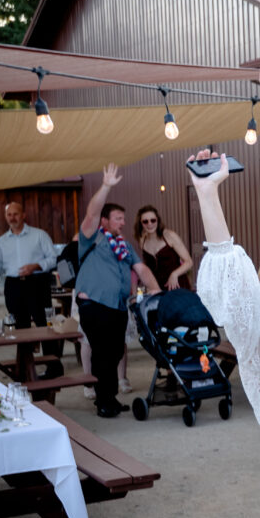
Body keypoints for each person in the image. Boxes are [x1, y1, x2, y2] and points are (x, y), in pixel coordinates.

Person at [75, 164, 162, 417]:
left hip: (117, 306)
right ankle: (104, 401)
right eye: (118, 218)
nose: (123, 223)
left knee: (114, 352)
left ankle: (108, 397)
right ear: (105, 221)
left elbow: (141, 269)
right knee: (102, 352)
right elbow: (91, 213)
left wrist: (156, 290)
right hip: (94, 304)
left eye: (124, 219)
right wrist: (106, 186)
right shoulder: (92, 236)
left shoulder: (124, 244)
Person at [0, 201, 57, 329]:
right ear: (6, 217)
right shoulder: (1, 241)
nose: (12, 218)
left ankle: (50, 349)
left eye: (15, 214)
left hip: (37, 284)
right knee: (20, 326)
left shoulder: (39, 235)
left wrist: (36, 266)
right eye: (9, 215)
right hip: (13, 286)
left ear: (23, 215)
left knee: (44, 323)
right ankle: (25, 349)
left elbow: (54, 258)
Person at [134, 205, 193, 291]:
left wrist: (174, 274)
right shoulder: (142, 240)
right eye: (145, 221)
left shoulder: (169, 236)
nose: (150, 224)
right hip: (157, 287)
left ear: (158, 221)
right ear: (141, 223)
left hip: (176, 284)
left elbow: (189, 262)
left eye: (153, 220)